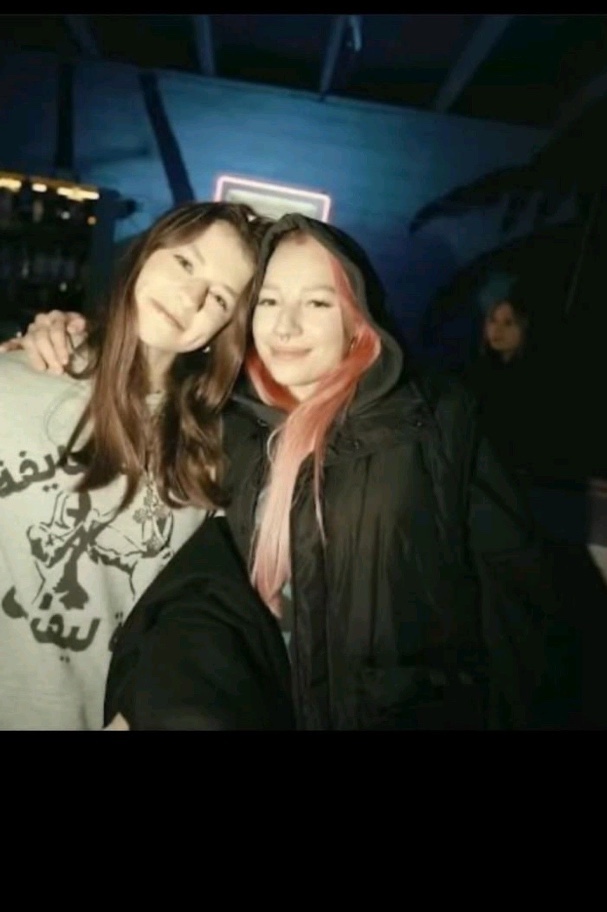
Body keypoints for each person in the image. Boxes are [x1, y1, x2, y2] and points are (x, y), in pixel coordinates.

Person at [17, 214, 577, 730]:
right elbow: (211, 604)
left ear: (357, 318)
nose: (285, 326)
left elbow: (521, 610)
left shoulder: (434, 423)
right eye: (268, 301)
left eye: (317, 303)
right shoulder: (235, 431)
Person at [0, 201, 293, 731]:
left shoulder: (217, 453)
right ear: (145, 254)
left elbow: (208, 625)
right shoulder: (12, 381)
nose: (190, 297)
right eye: (185, 262)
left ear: (223, 331)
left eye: (219, 297)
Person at [464, 297, 540, 476]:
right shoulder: (476, 374)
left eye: (508, 323)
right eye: (493, 321)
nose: (497, 329)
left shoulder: (531, 380)